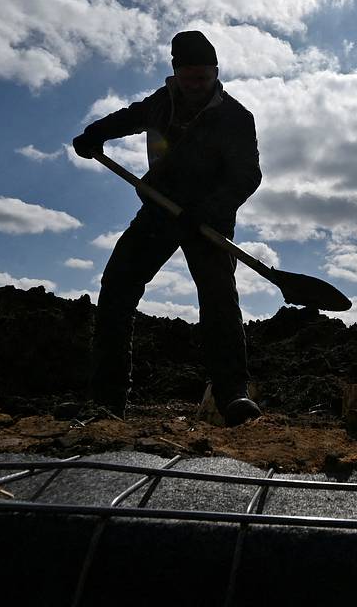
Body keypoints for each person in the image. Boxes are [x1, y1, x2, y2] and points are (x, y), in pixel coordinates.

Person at [72, 31, 263, 425]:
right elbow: (130, 116)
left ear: (216, 73)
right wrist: (96, 133)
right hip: (159, 211)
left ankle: (233, 397)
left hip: (208, 221)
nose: (197, 85)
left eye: (205, 78)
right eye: (191, 78)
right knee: (117, 291)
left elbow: (247, 176)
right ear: (176, 73)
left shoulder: (235, 117)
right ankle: (107, 402)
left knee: (219, 301)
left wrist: (207, 210)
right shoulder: (162, 103)